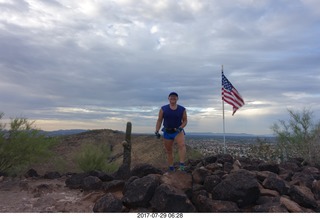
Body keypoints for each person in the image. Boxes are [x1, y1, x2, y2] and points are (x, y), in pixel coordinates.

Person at [155, 92, 188, 171]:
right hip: (167, 131)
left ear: (177, 99)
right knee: (169, 150)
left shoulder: (182, 109)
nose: (173, 98)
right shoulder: (163, 109)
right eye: (171, 97)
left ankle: (182, 166)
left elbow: (185, 120)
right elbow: (159, 120)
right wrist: (156, 131)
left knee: (182, 145)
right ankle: (171, 167)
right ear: (168, 98)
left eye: (175, 97)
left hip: (178, 131)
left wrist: (181, 127)